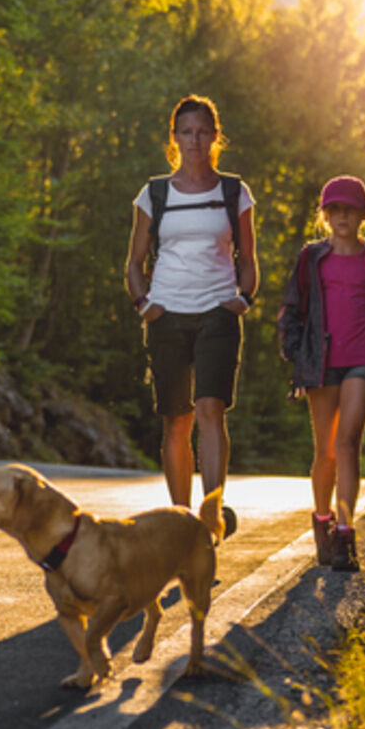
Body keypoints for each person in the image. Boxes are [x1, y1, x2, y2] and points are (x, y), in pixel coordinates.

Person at [123, 95, 257, 535]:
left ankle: (211, 516)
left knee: (210, 409)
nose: (195, 140)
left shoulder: (234, 192)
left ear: (215, 137)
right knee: (176, 419)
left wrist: (244, 298)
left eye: (203, 132)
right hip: (167, 315)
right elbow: (134, 263)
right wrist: (146, 305)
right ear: (175, 138)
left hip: (218, 311)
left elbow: (249, 260)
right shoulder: (154, 193)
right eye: (186, 132)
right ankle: (181, 526)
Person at [275, 175, 365, 572]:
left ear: (362, 216)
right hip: (320, 360)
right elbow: (293, 305)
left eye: (350, 210)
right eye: (334, 209)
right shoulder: (311, 257)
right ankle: (321, 519)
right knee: (325, 452)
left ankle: (345, 532)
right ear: (324, 215)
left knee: (347, 443)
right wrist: (292, 348)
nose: (342, 216)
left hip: (364, 356)